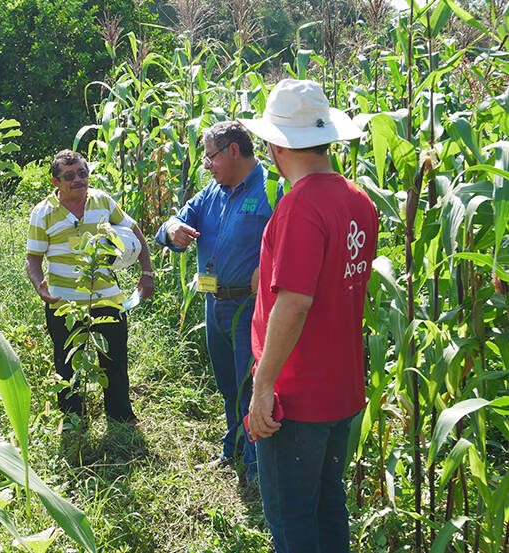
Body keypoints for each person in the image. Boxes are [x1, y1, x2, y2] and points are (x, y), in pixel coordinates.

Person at [238, 79, 378, 552]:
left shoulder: (300, 205)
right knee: (326, 505)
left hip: (296, 397)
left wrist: (262, 388)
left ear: (277, 145)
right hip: (343, 388)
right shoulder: (359, 201)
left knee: (291, 516)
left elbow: (295, 303)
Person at [154, 121, 280, 485]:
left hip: (250, 308)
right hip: (215, 303)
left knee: (250, 386)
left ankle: (259, 466)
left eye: (210, 157)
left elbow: (290, 238)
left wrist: (268, 270)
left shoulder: (272, 187)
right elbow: (177, 220)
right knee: (227, 384)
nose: (206, 165)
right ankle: (235, 449)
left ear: (233, 151)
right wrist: (171, 229)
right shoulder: (212, 192)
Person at [26, 149, 154, 425]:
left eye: (82, 173)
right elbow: (33, 259)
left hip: (107, 298)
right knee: (67, 362)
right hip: (64, 302)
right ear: (55, 182)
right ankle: (73, 420)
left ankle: (121, 417)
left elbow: (134, 232)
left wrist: (147, 272)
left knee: (115, 358)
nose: (78, 180)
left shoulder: (102, 201)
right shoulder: (43, 212)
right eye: (69, 176)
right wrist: (40, 287)